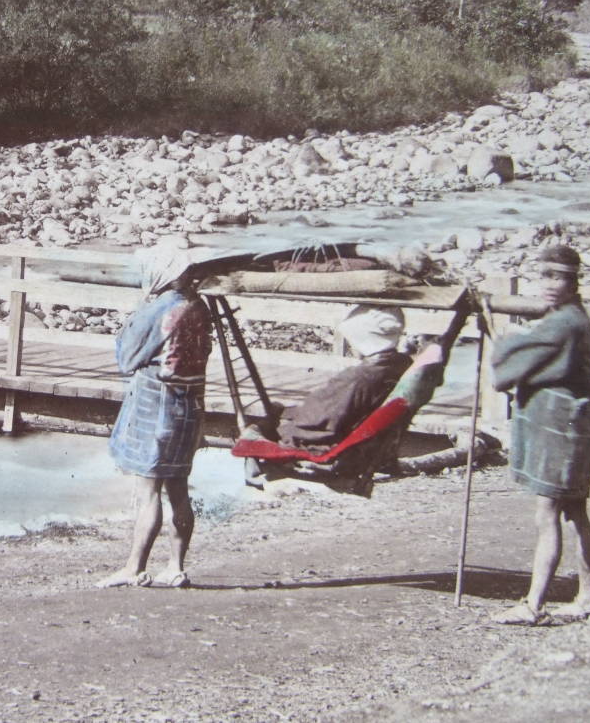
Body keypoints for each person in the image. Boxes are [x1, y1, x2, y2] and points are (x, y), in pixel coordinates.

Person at [489, 244, 590, 625]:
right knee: (575, 510)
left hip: (563, 429)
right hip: (578, 425)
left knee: (548, 513)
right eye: (547, 276)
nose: (552, 285)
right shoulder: (573, 315)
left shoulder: (563, 323)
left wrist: (496, 333)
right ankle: (586, 597)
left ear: (574, 283)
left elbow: (518, 355)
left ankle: (534, 604)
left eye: (562, 278)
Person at [95, 241, 213, 589]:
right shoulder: (198, 306)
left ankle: (135, 567)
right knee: (178, 488)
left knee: (148, 490)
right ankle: (175, 566)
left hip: (157, 402)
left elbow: (127, 358)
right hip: (190, 403)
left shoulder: (161, 308)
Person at [240, 304, 412, 451]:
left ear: (363, 341)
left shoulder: (358, 377)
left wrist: (285, 412)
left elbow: (317, 417)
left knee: (251, 434)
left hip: (323, 442)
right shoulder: (400, 365)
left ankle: (259, 482)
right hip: (357, 435)